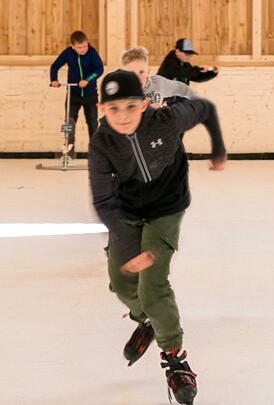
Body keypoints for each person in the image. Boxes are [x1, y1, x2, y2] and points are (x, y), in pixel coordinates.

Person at [89, 69, 226, 404]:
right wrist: (125, 245)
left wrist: (218, 148)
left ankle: (176, 360)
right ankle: (147, 319)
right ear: (101, 109)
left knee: (152, 285)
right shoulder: (102, 142)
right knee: (122, 284)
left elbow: (205, 108)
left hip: (166, 209)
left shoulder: (167, 120)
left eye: (130, 106)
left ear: (145, 103)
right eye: (113, 108)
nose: (122, 116)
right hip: (127, 212)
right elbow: (104, 200)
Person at [48, 30, 104, 150]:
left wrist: (88, 80)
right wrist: (54, 79)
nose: (83, 49)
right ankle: (68, 149)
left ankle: (95, 152)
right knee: (69, 122)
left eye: (85, 46)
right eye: (80, 47)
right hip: (73, 95)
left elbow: (99, 69)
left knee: (93, 123)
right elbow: (55, 66)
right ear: (73, 47)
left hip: (90, 95)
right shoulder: (68, 53)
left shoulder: (92, 52)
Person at [121, 47, 196, 107]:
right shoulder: (121, 90)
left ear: (148, 72)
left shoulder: (158, 83)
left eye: (141, 72)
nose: (137, 78)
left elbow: (183, 89)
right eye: (131, 73)